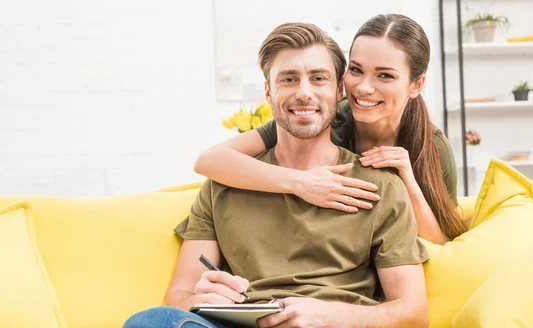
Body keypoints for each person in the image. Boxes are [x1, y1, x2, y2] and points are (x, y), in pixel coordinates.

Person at [115, 22, 429, 328]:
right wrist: (202, 298)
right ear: (268, 90)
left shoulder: (379, 184)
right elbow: (179, 295)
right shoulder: (224, 183)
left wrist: (332, 316)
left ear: (338, 90)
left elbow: (413, 316)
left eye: (318, 78)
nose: (304, 93)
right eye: (289, 79)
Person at [194, 14, 467, 245]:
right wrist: (301, 183)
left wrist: (408, 179)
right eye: (357, 70)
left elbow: (442, 244)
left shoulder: (431, 145)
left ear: (416, 85)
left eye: (385, 75)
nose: (363, 87)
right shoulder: (325, 119)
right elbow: (209, 160)